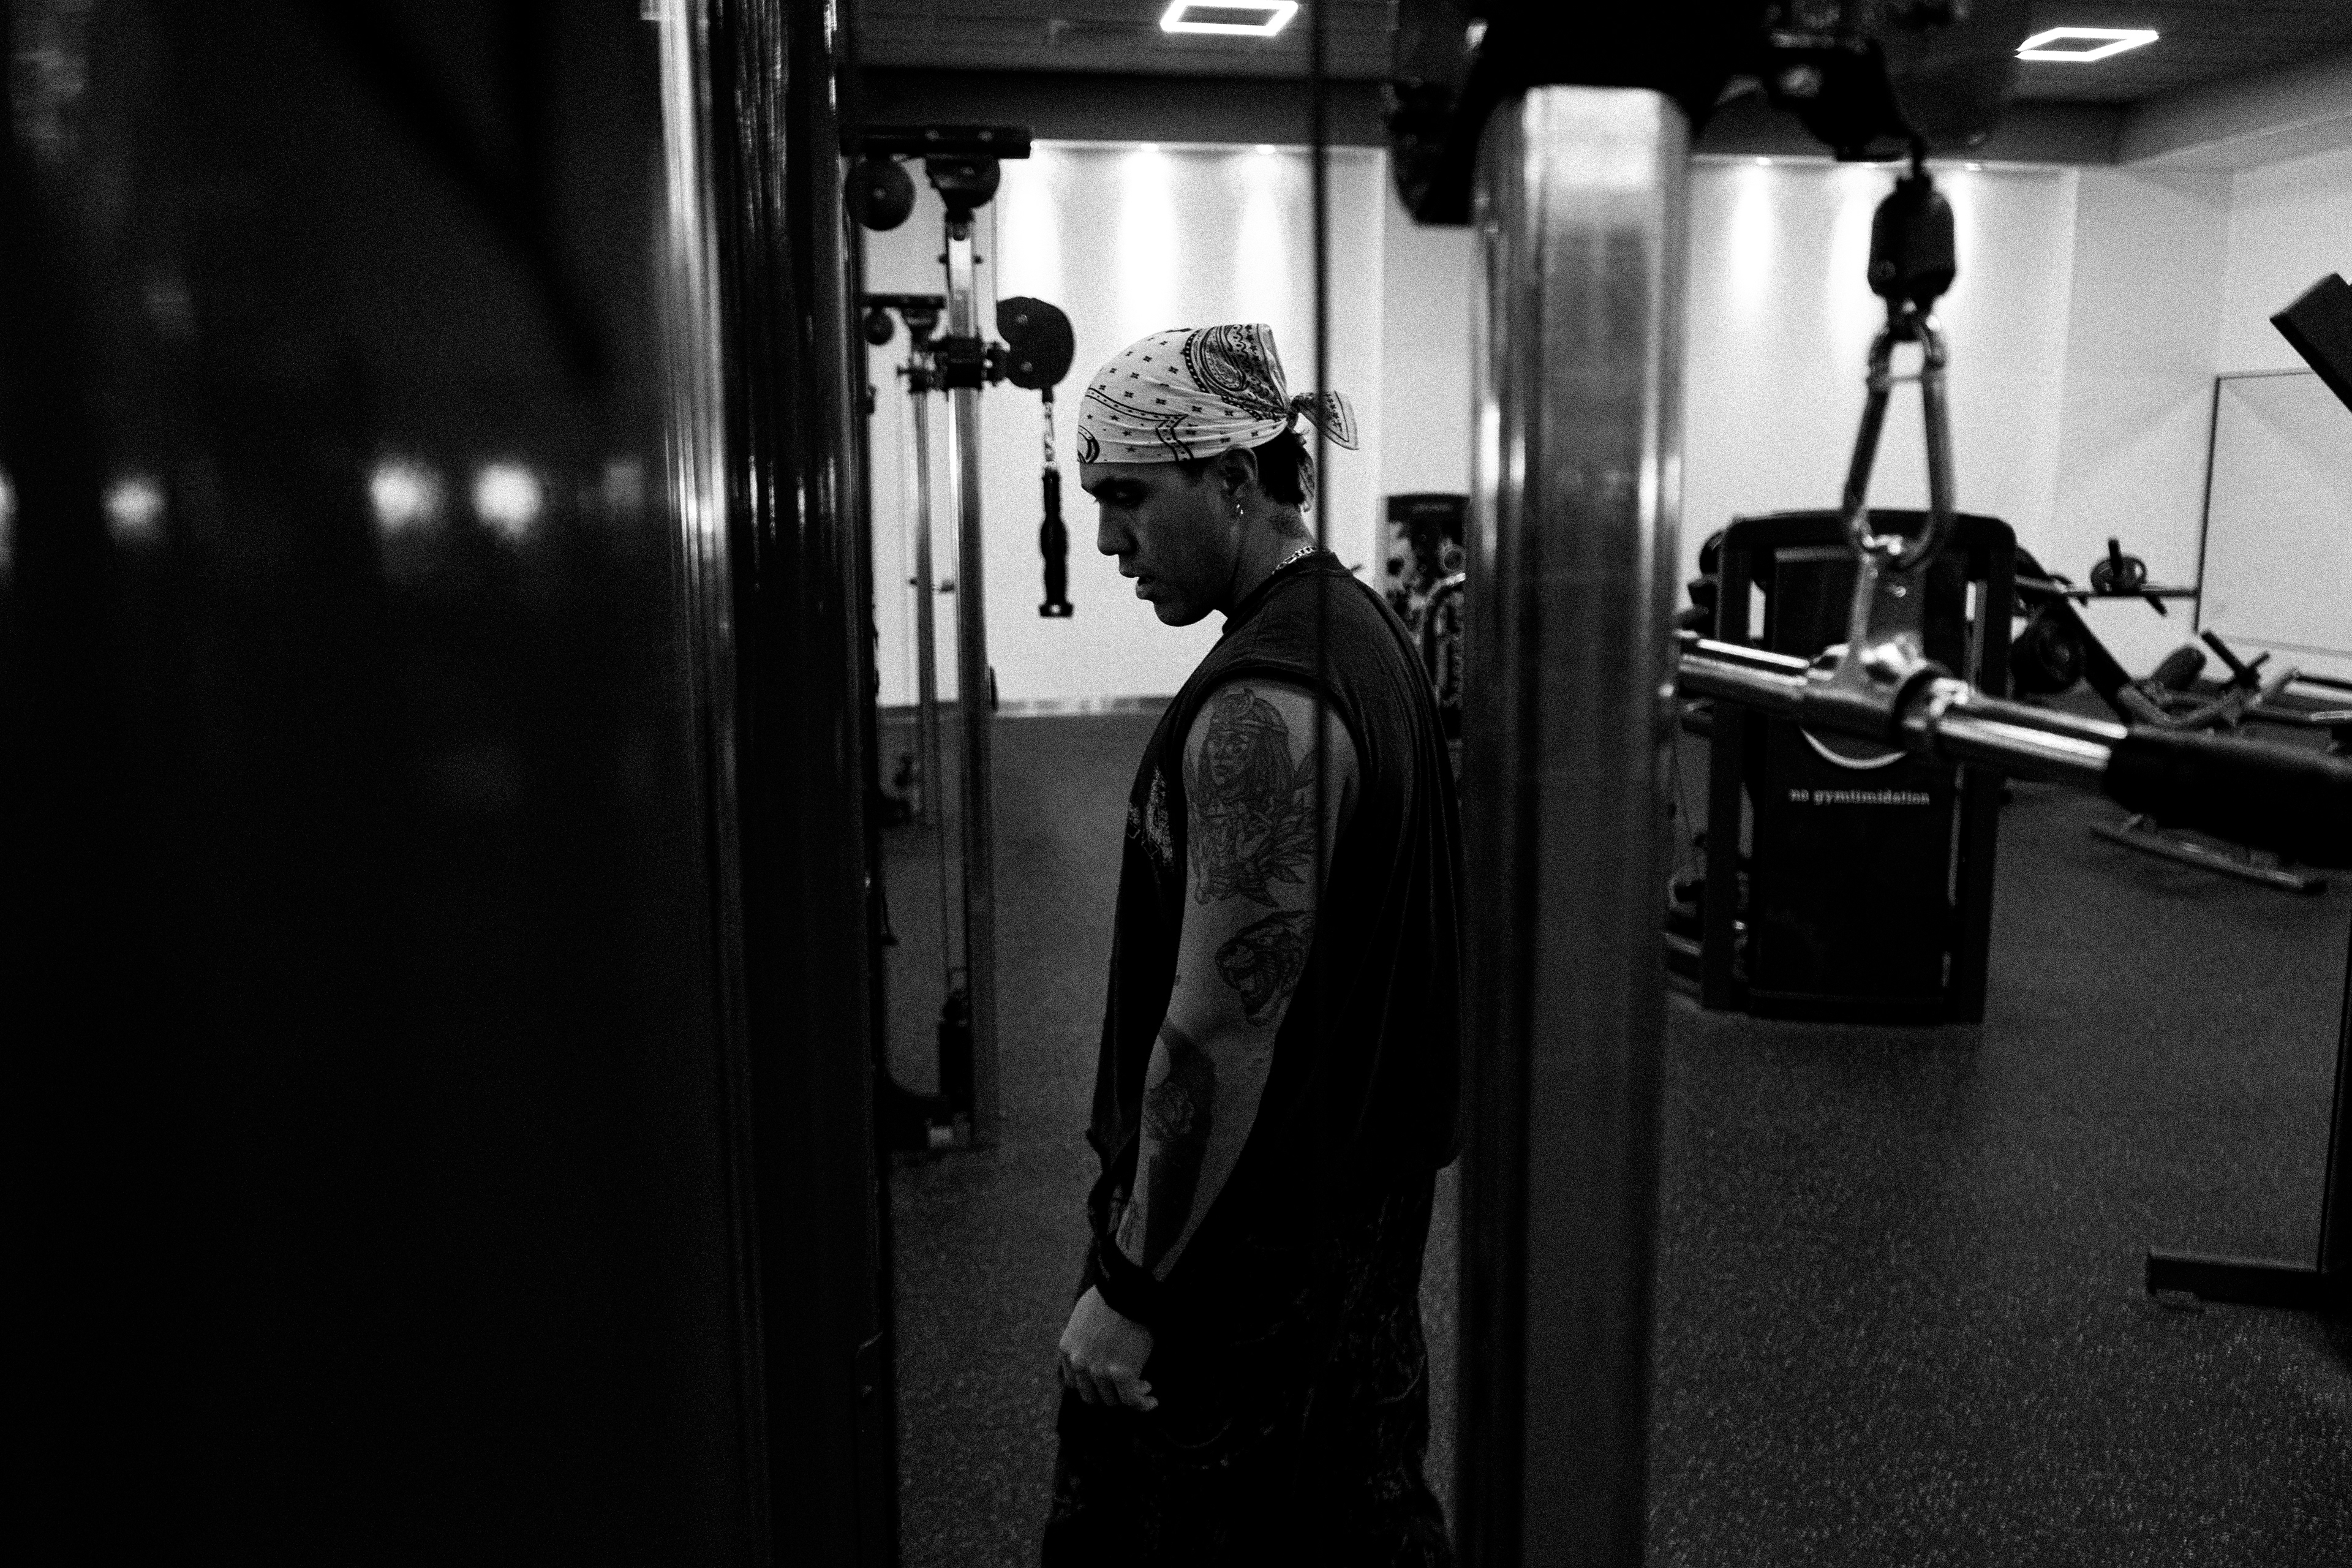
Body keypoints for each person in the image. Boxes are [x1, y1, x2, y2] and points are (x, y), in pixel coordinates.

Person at [1044, 323, 1463, 1566]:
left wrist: (1131, 1285)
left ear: (1233, 479)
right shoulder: (1357, 630)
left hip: (1241, 1257)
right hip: (1345, 1236)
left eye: (1129, 498)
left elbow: (1220, 1028)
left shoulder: (1266, 704)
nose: (1108, 540)